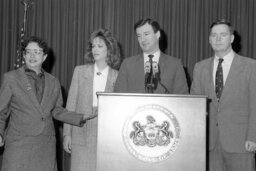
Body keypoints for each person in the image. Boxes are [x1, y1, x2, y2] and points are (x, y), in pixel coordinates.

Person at [0, 36, 94, 171]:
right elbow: (1, 111)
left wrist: (81, 117)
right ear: (24, 55)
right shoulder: (11, 78)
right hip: (19, 146)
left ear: (44, 57)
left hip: (45, 146)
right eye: (28, 51)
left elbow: (57, 110)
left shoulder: (54, 82)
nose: (32, 55)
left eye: (37, 52)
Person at [190, 19, 256, 171]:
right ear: (209, 39)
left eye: (223, 35)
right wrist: (195, 138)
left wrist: (253, 136)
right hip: (208, 143)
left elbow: (255, 104)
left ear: (232, 38)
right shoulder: (200, 67)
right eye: (214, 35)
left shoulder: (251, 66)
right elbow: (195, 108)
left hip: (241, 142)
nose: (218, 39)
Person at [63, 28, 122, 171]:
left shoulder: (117, 76)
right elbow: (70, 105)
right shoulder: (80, 71)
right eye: (93, 46)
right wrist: (67, 134)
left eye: (100, 46)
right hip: (81, 131)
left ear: (109, 49)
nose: (95, 49)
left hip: (106, 135)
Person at [114, 18, 188, 94]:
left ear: (157, 34)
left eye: (146, 34)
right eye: (139, 36)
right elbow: (118, 97)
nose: (142, 39)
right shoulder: (127, 64)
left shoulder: (175, 65)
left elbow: (183, 100)